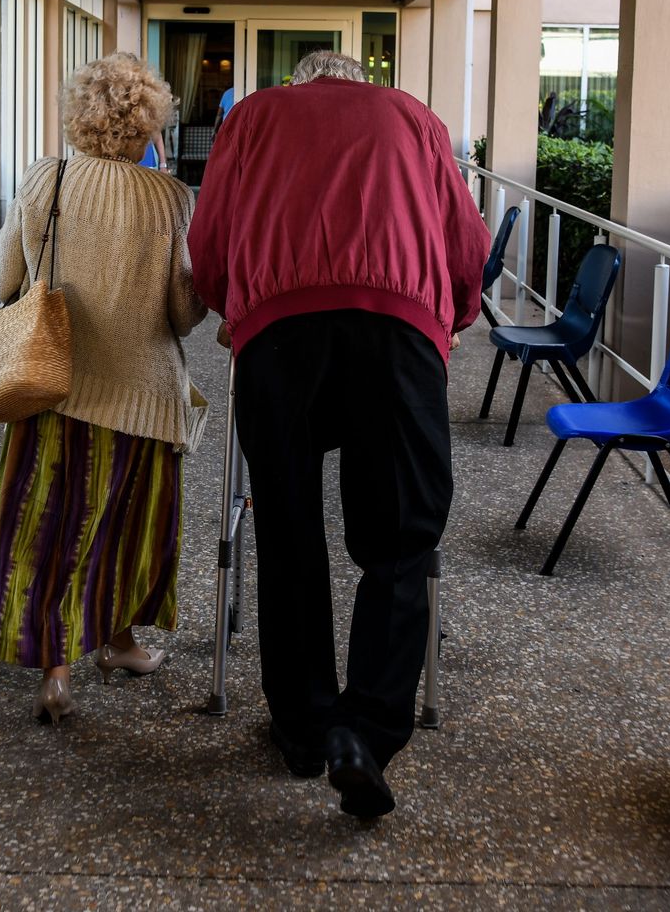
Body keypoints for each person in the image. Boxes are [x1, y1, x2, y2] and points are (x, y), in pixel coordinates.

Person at [188, 50, 488, 817]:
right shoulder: (414, 117)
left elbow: (211, 238)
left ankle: (303, 727)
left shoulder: (252, 116)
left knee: (288, 528)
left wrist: (237, 309)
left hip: (280, 335)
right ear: (362, 82)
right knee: (401, 537)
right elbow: (465, 248)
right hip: (396, 331)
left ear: (303, 83)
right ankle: (368, 729)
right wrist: (446, 319)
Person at [0, 53, 208, 725]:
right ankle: (120, 642)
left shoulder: (45, 179)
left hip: (52, 386)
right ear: (148, 124)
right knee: (129, 530)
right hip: (141, 397)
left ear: (79, 116)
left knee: (49, 525)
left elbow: (3, 283)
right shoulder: (169, 197)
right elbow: (182, 314)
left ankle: (54, 671)